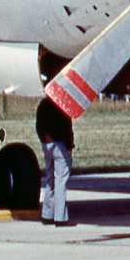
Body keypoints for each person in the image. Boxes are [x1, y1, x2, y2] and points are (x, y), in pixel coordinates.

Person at [36, 77, 74, 226]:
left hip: (47, 144)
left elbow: (38, 125)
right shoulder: (61, 103)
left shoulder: (43, 105)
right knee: (61, 181)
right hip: (60, 144)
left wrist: (44, 140)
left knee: (50, 180)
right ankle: (60, 217)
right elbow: (66, 127)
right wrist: (69, 145)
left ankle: (47, 214)